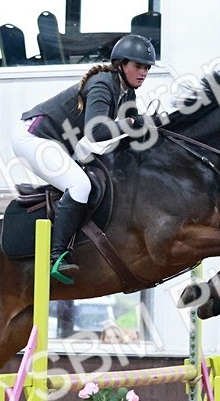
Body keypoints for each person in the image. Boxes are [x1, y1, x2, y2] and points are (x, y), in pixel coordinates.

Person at [12, 34, 160, 285]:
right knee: (80, 185)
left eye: (147, 67)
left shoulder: (127, 93)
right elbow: (97, 131)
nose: (143, 72)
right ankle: (57, 256)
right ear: (121, 64)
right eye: (138, 66)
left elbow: (131, 133)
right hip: (34, 138)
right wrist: (133, 123)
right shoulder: (103, 84)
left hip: (62, 144)